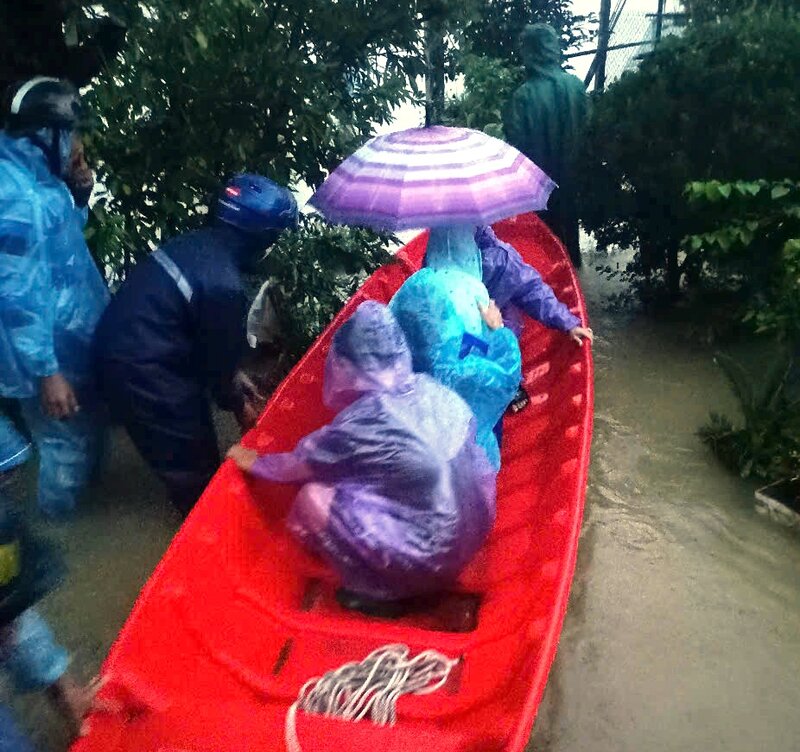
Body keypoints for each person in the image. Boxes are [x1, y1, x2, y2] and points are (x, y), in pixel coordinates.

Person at [228, 301, 496, 617]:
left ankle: (381, 594)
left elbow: (303, 463)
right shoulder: (431, 390)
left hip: (431, 557)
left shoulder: (369, 418)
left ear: (348, 365)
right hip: (474, 532)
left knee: (313, 498)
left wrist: (256, 462)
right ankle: (408, 572)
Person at [95, 174, 298, 516]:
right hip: (141, 367)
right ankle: (201, 523)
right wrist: (239, 405)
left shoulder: (197, 243)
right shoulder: (225, 286)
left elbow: (210, 346)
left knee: (179, 429)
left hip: (119, 343)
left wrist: (233, 378)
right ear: (262, 239)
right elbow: (218, 371)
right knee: (196, 465)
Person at [0, 77, 109, 518]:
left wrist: (79, 193)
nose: (78, 144)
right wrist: (48, 374)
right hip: (47, 356)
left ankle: (85, 509)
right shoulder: (15, 197)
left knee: (86, 433)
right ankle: (61, 530)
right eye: (73, 133)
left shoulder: (36, 179)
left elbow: (62, 248)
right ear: (49, 135)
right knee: (65, 445)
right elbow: (16, 296)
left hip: (69, 339)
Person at [390, 225, 522, 470]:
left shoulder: (412, 285)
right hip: (464, 452)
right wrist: (499, 331)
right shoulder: (473, 291)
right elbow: (500, 377)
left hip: (415, 426)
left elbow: (389, 337)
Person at [503, 24, 589, 267]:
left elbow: (515, 144)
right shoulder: (576, 86)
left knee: (544, 254)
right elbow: (589, 129)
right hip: (572, 182)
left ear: (531, 51)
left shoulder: (523, 96)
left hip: (536, 189)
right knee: (571, 247)